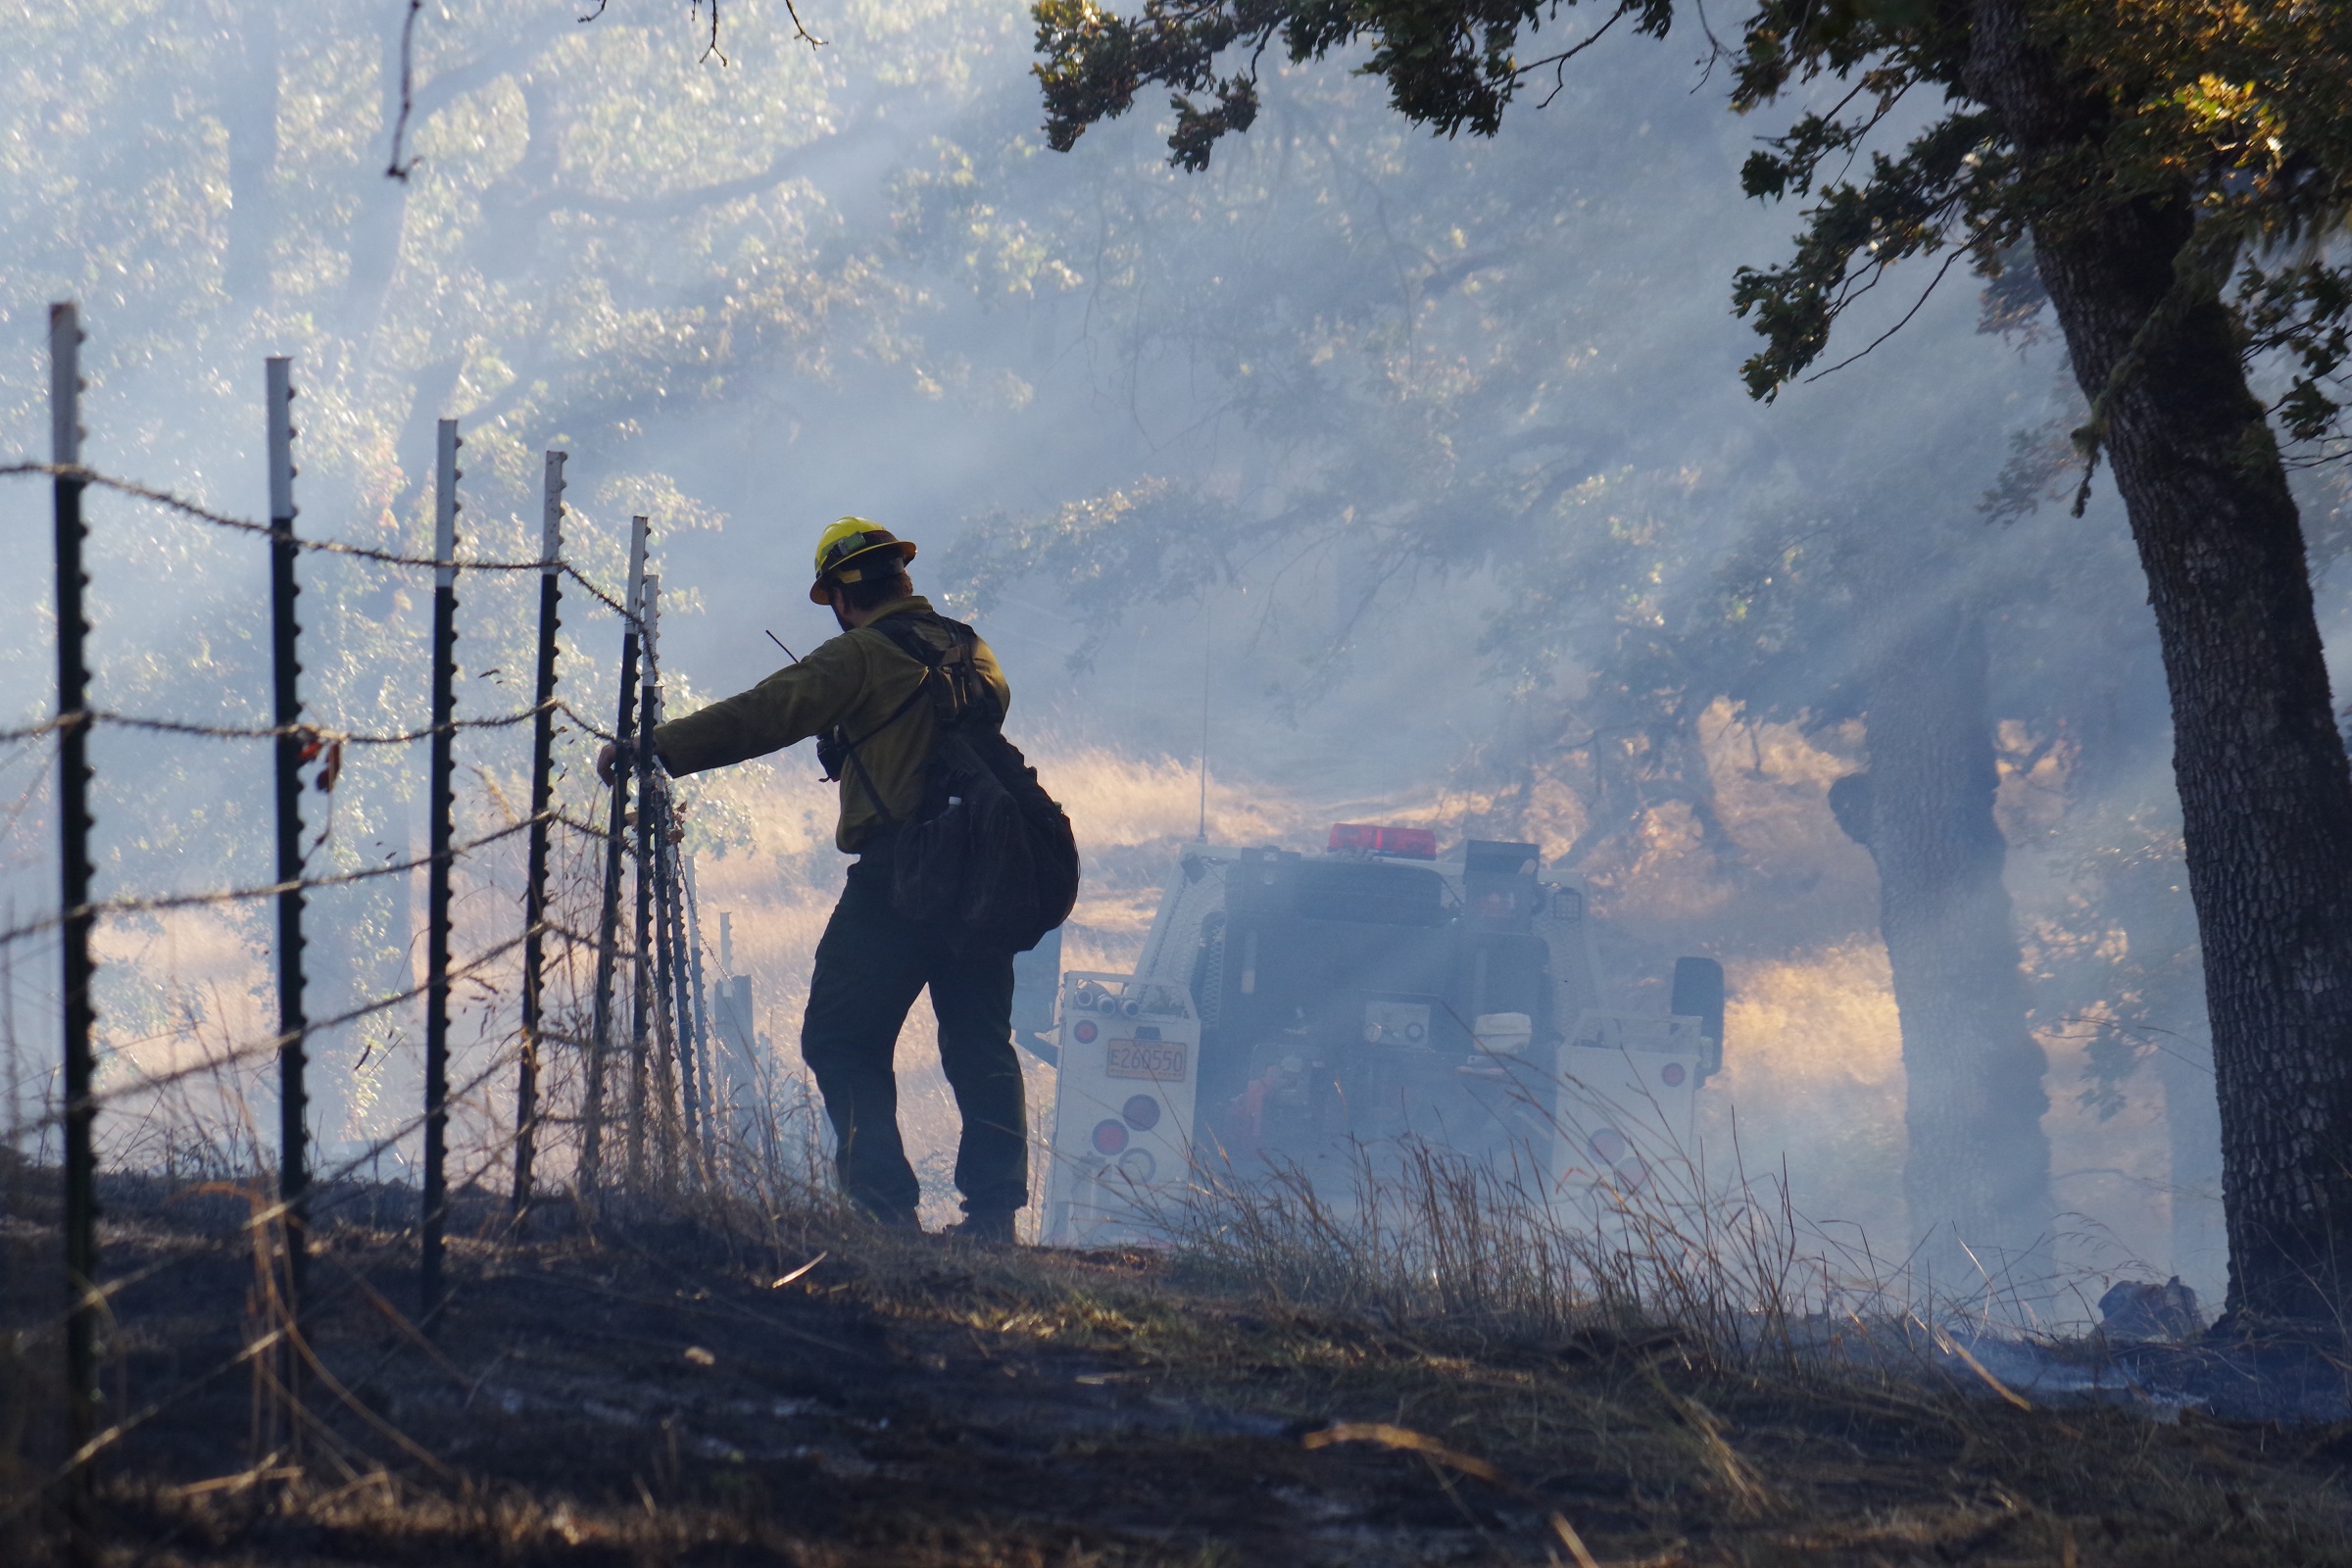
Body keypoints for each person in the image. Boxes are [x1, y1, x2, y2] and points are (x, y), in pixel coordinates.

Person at [598, 517, 1026, 1241]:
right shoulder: (972, 649)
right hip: (987, 875)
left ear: (841, 598)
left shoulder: (859, 656)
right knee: (980, 1043)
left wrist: (657, 748)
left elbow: (767, 713)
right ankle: (993, 1218)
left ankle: (884, 1211)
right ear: (902, 580)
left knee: (842, 1038)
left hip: (901, 877)